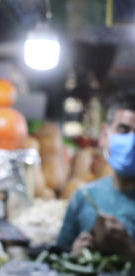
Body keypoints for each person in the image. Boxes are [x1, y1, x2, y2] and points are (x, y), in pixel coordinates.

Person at [56, 92, 135, 259]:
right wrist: (74, 256)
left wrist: (129, 252)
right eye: (123, 130)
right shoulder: (84, 196)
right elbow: (58, 260)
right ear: (106, 133)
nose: (132, 141)